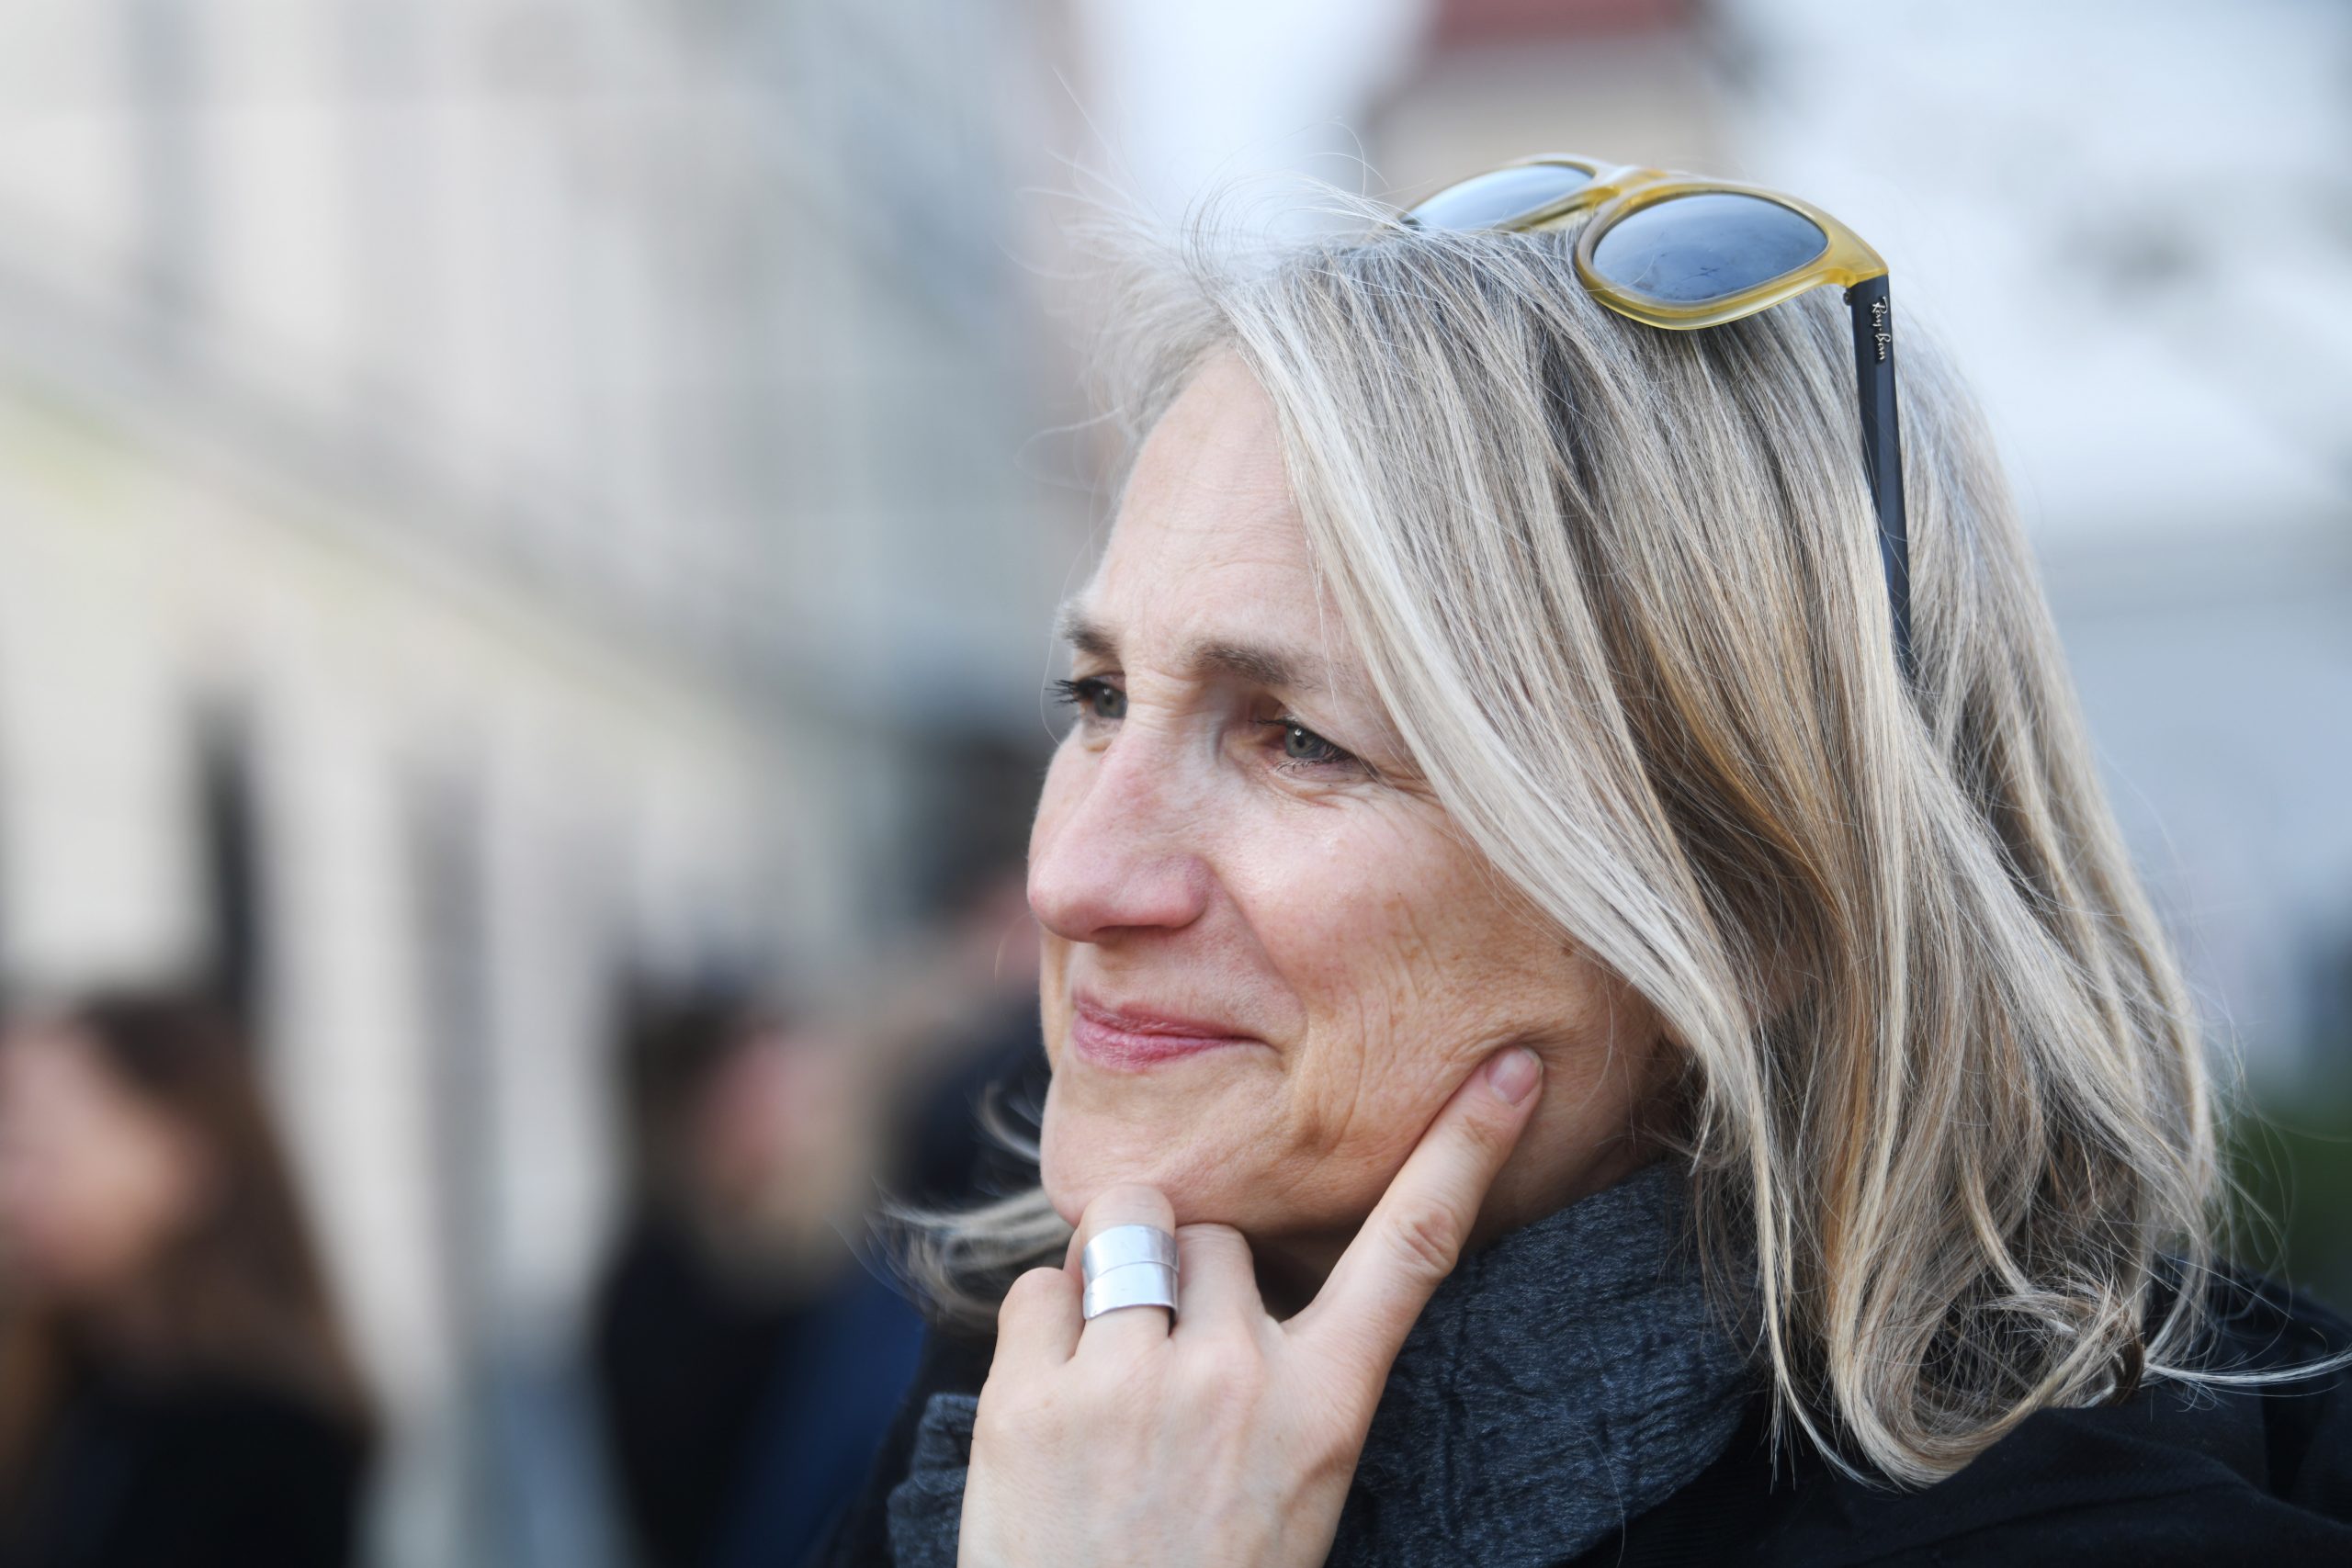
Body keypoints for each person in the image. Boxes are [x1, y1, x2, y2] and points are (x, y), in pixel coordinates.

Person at [821, 154, 2352, 1566]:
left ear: (1751, 902)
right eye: (1099, 697)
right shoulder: (1004, 1441)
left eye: (1298, 738)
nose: (1074, 879)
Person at [0, 989, 373, 1568]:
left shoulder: (265, 1442)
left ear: (182, 1158)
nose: (13, 1192)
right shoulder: (65, 1391)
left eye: (45, 1150)